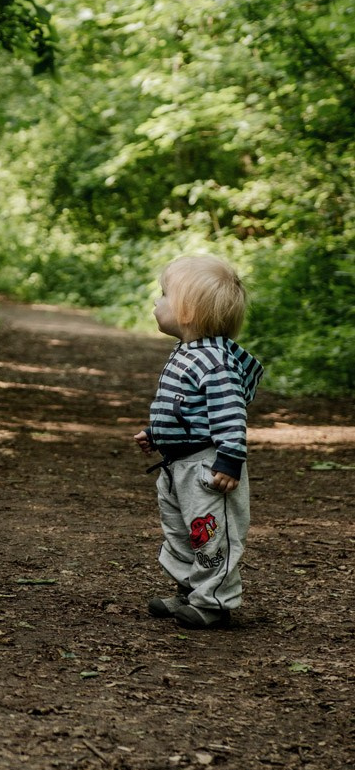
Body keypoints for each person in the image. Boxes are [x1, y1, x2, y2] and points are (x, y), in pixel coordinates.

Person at [134, 254, 263, 630]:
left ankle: (214, 602)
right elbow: (186, 408)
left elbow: (230, 416)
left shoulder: (216, 362)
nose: (156, 303)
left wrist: (229, 461)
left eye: (163, 295)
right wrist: (157, 433)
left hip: (207, 466)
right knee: (181, 531)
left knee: (211, 533)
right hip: (178, 465)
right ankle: (189, 591)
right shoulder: (189, 352)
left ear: (186, 310)